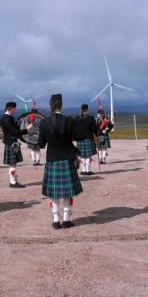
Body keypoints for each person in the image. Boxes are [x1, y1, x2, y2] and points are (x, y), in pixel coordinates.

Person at [38, 94, 83, 229]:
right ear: (61, 106)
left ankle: (56, 220)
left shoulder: (44, 122)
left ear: (50, 105)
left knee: (54, 193)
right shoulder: (69, 121)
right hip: (67, 160)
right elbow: (80, 136)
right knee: (67, 192)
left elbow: (41, 144)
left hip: (52, 160)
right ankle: (66, 219)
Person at [0, 102, 33, 188]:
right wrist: (27, 129)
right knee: (13, 164)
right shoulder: (7, 119)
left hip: (10, 142)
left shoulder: (5, 117)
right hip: (11, 143)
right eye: (14, 109)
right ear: (11, 108)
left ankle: (13, 180)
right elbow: (16, 132)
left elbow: (12, 129)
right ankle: (13, 182)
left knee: (13, 164)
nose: (15, 110)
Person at [75, 104, 98, 175]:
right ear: (87, 109)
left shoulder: (77, 118)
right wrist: (96, 135)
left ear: (81, 109)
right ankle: (87, 171)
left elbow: (75, 128)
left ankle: (83, 170)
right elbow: (94, 129)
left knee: (82, 155)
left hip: (80, 139)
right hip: (88, 138)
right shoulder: (91, 118)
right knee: (88, 156)